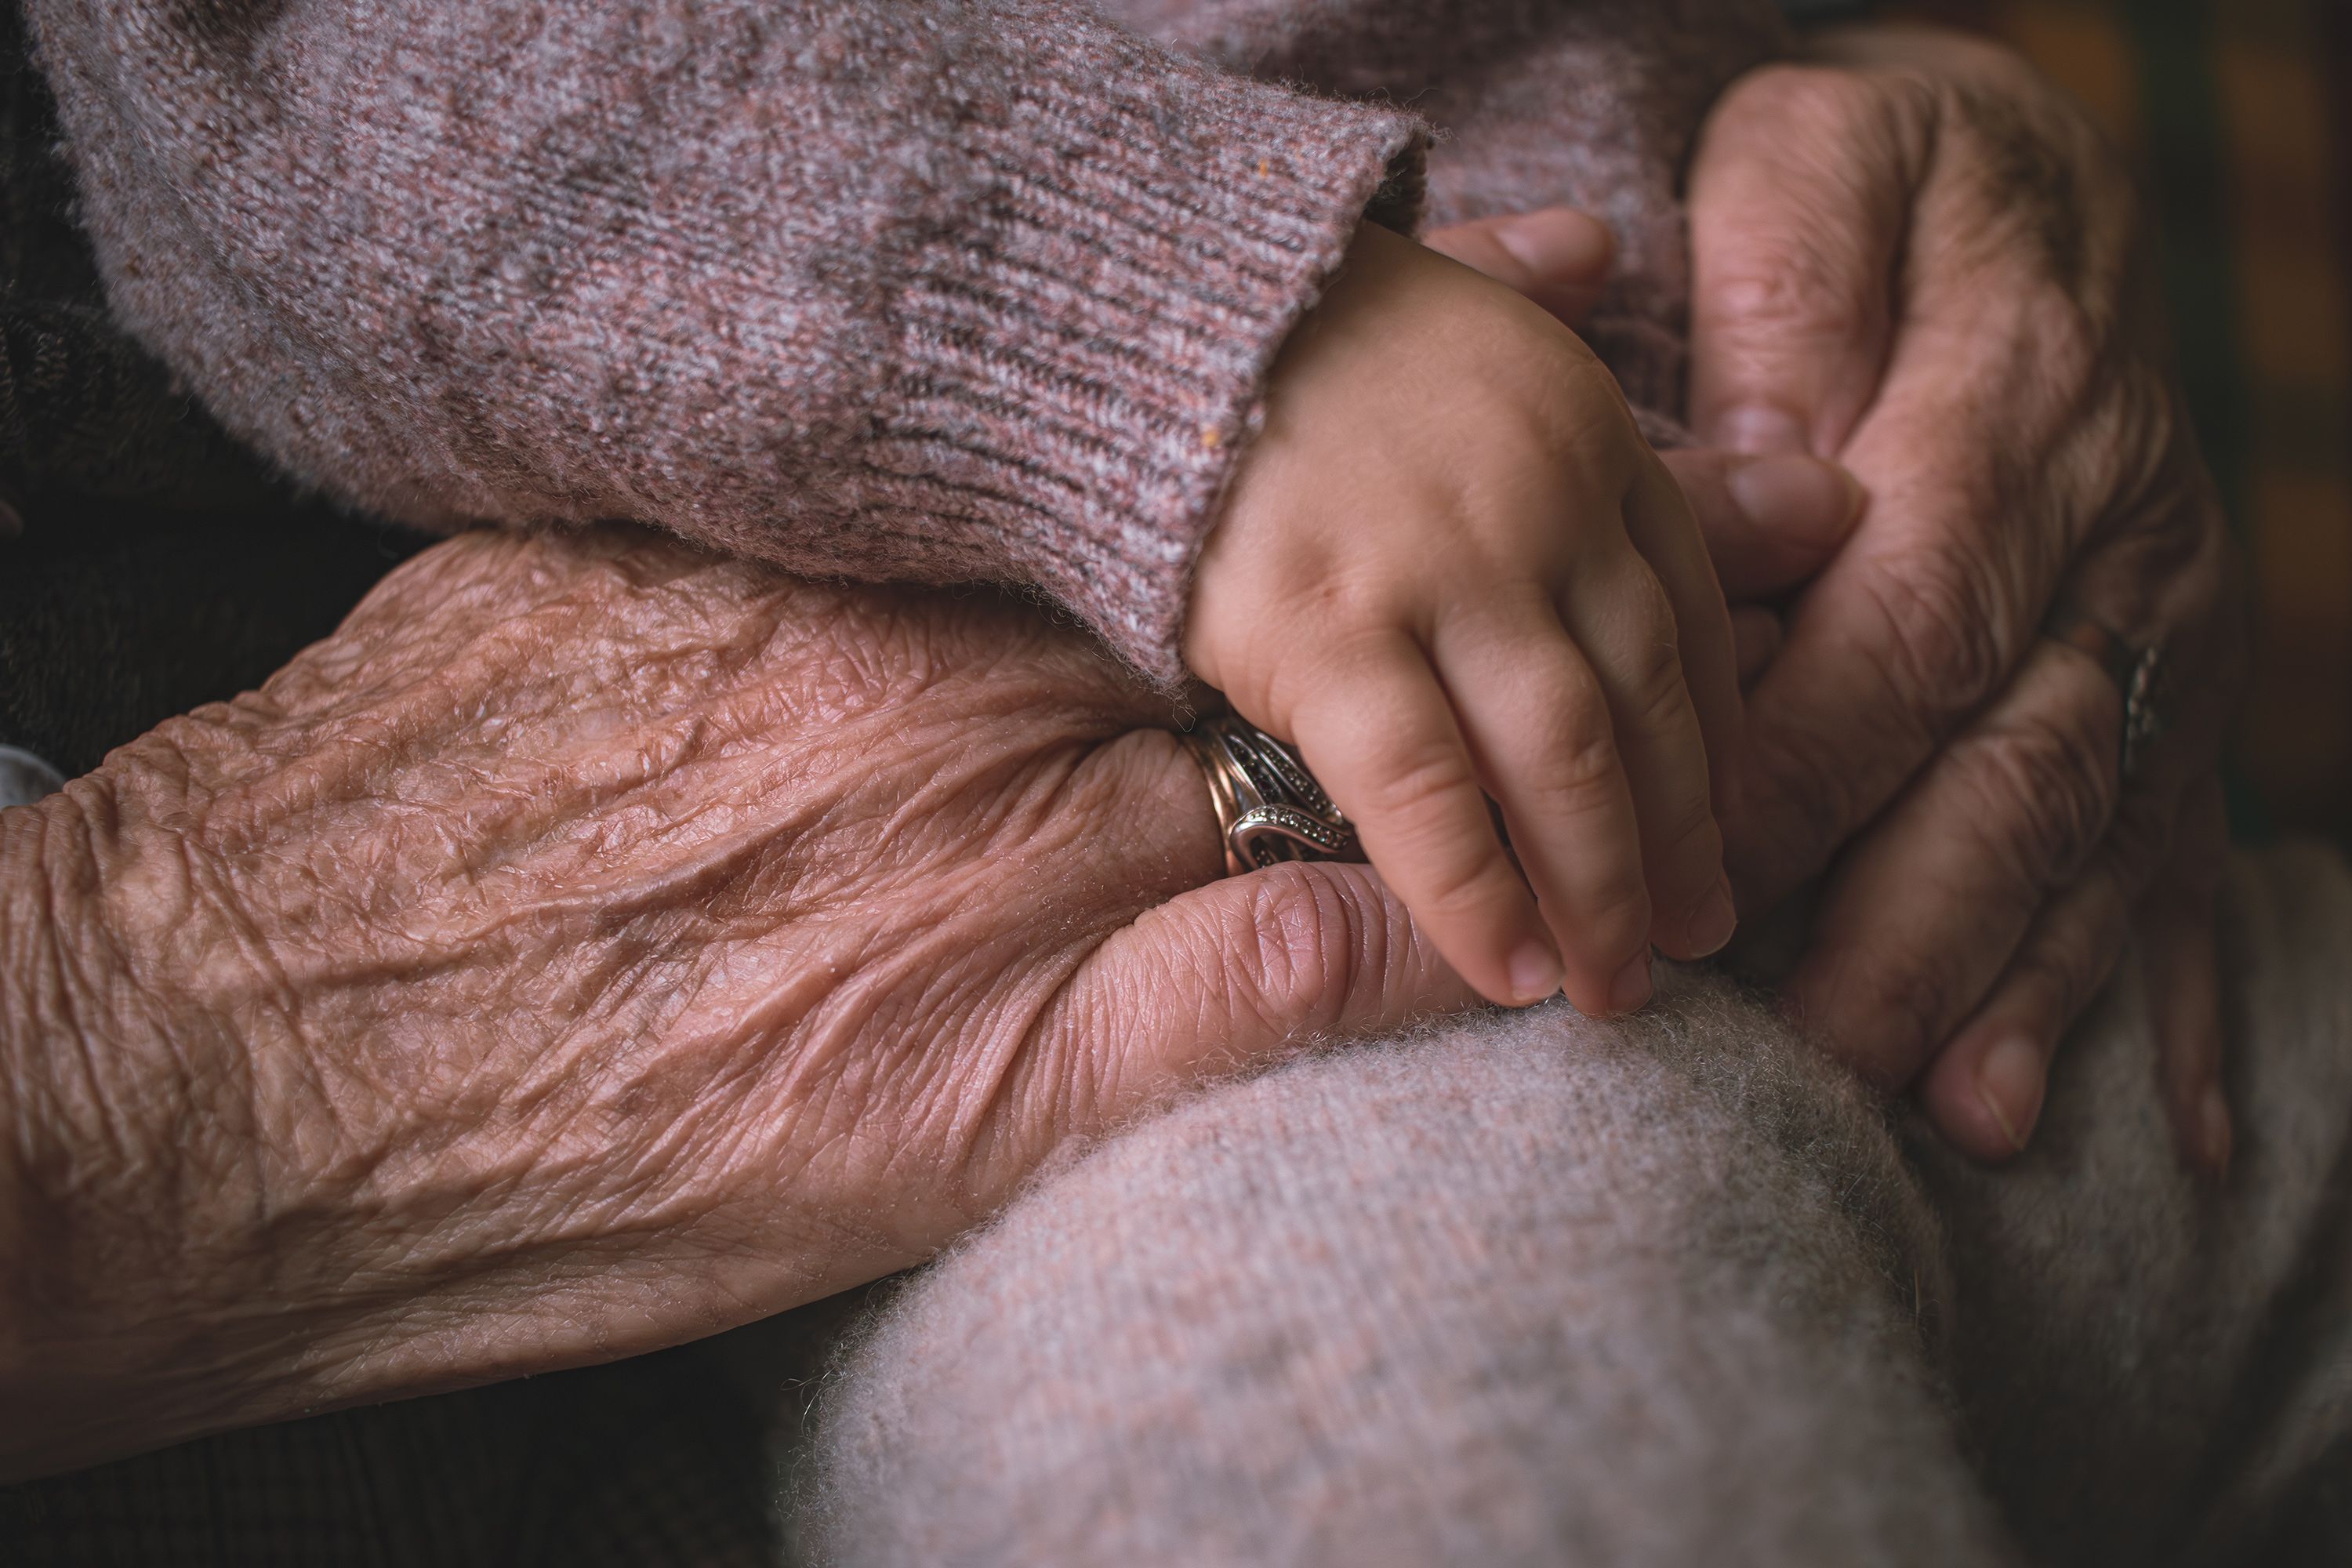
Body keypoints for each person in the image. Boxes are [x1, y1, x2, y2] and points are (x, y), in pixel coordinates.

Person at [0, 0, 2304, 1558]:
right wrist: (1169, 324)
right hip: (1209, 998)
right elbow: (305, 85)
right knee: (1401, 1431)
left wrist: (1892, 107)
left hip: (1982, 875)